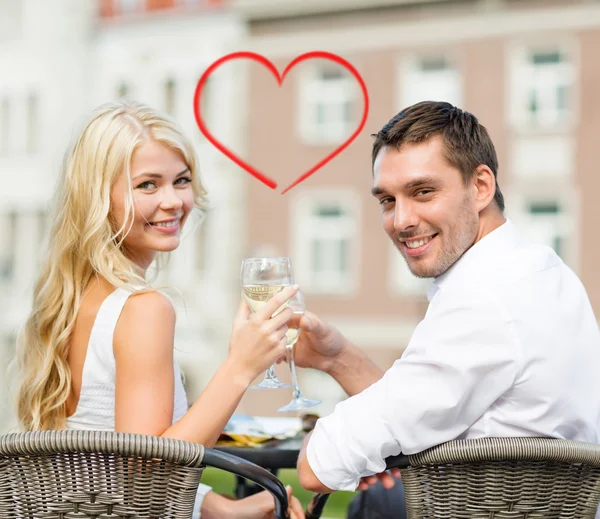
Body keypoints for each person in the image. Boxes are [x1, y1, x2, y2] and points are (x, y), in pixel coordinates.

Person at [293, 101, 600, 517]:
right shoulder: (543, 269)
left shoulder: (481, 299)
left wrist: (341, 445)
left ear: (480, 187)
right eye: (387, 200)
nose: (401, 220)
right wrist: (338, 357)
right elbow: (430, 407)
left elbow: (316, 468)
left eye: (423, 192)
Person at [13, 100, 305, 519]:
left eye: (181, 180)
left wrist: (220, 507)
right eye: (147, 185)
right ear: (99, 198)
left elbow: (106, 467)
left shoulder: (74, 300)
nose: (172, 201)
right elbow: (148, 473)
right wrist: (240, 366)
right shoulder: (144, 309)